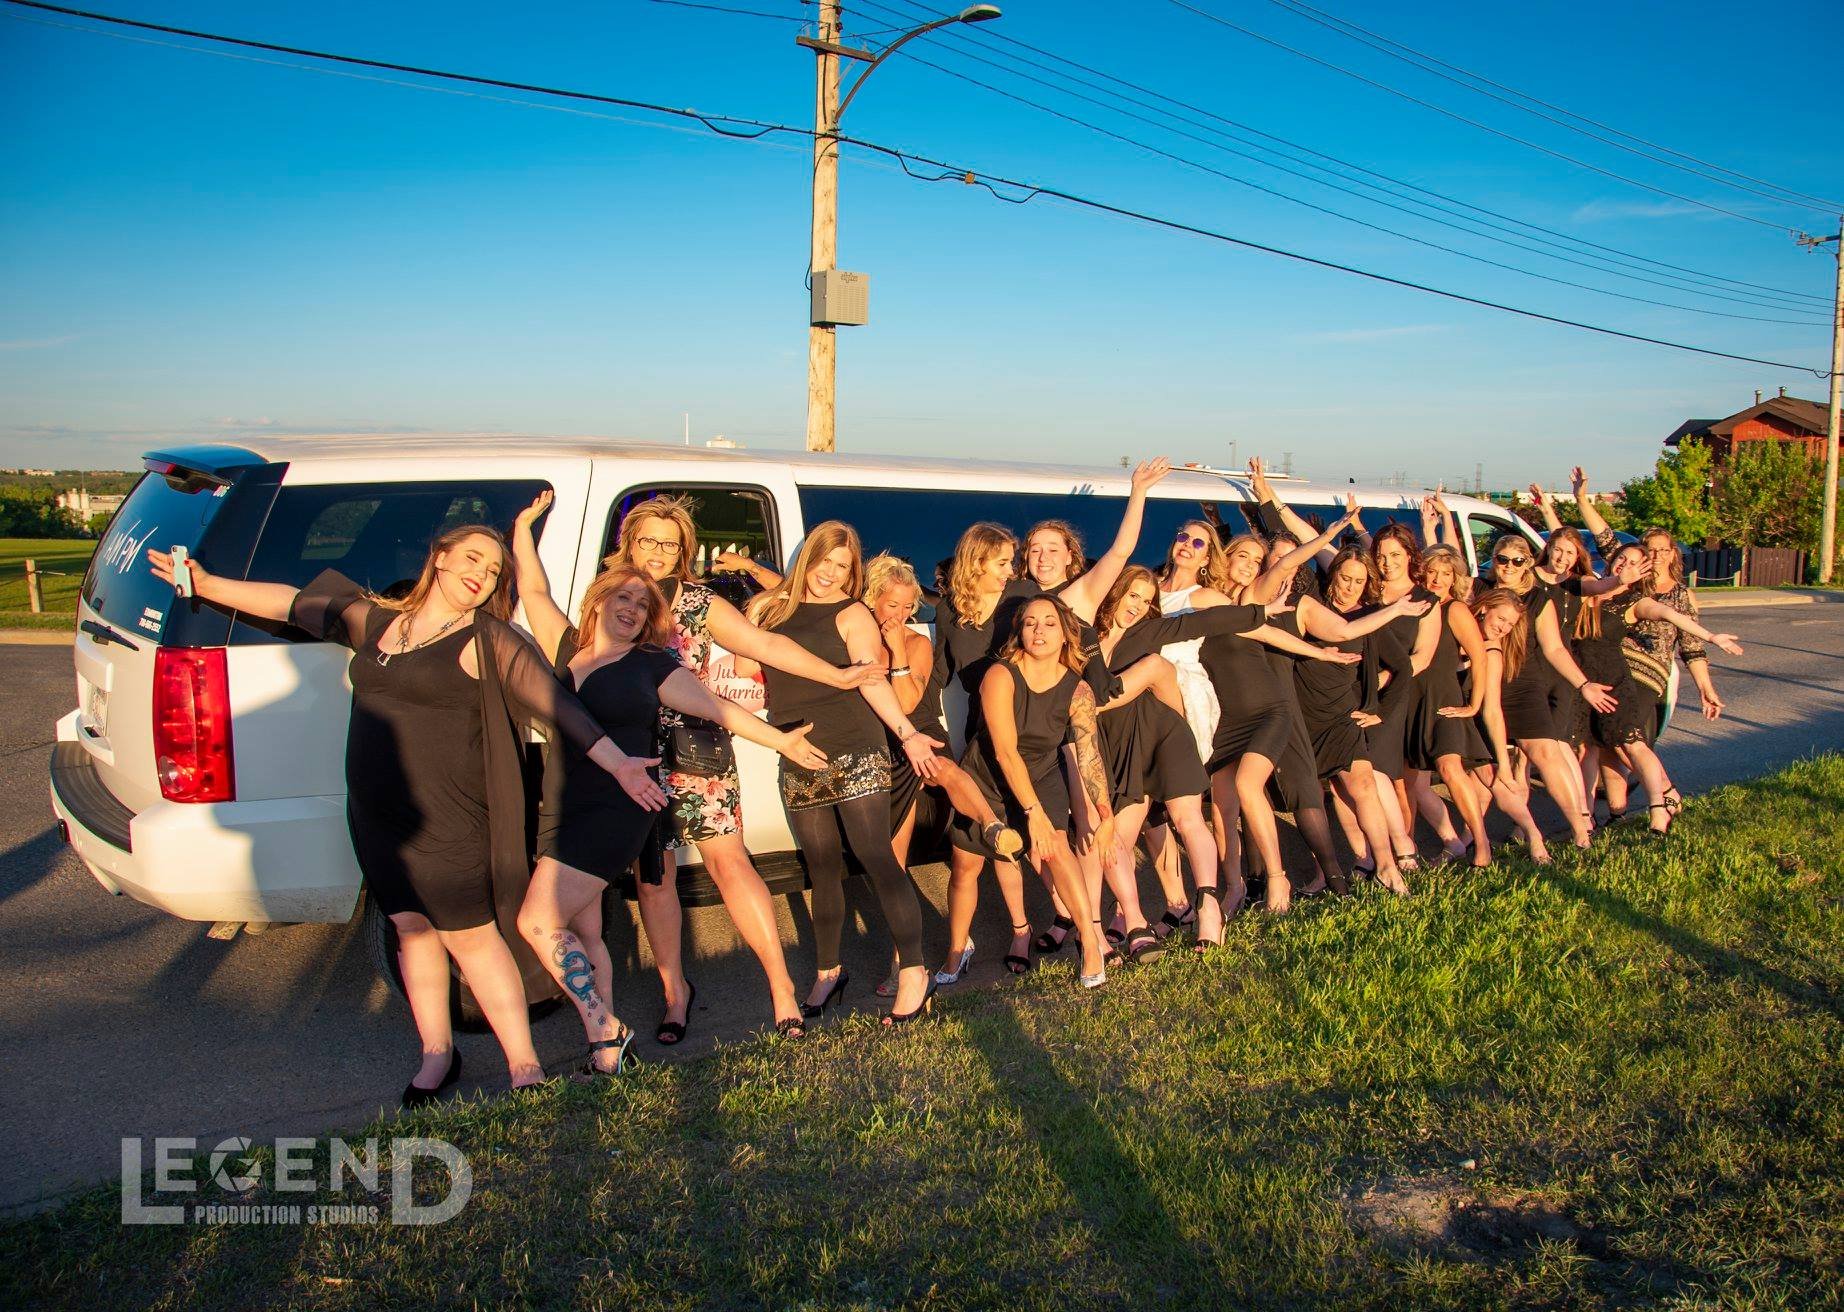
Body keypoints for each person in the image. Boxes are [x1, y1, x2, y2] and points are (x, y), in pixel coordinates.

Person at [149, 526, 646, 1104]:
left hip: (450, 822)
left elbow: (561, 708)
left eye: (492, 571)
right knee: (411, 929)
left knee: (472, 939)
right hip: (376, 814)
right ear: (438, 559)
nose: (481, 576)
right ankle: (438, 1053)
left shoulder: (490, 641)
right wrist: (207, 584)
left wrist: (620, 764)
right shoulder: (377, 624)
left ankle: (523, 1066)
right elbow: (289, 601)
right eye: (472, 559)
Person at [530, 493, 878, 1042]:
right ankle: (675, 993)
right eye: (648, 540)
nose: (659, 553)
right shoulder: (611, 599)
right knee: (655, 880)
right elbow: (543, 611)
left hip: (695, 744)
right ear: (629, 543)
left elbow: (764, 642)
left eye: (671, 544)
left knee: (729, 862)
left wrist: (835, 676)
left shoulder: (697, 601)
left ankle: (781, 989)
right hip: (628, 755)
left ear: (684, 550)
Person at [744, 521, 946, 1025]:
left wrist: (906, 732)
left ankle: (915, 973)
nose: (829, 576)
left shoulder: (853, 612)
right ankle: (829, 972)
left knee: (875, 855)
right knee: (822, 869)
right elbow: (752, 663)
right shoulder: (772, 608)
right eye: (823, 563)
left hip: (855, 745)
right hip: (797, 748)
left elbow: (870, 679)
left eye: (841, 567)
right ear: (805, 559)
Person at [861, 553, 1019, 993]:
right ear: (870, 599)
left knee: (937, 763)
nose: (902, 614)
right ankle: (903, 959)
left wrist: (895, 649)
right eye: (891, 604)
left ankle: (990, 825)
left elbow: (909, 704)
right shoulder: (852, 635)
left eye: (909, 606)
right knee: (894, 865)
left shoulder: (916, 643)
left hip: (920, 733)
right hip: (881, 746)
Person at [948, 595, 1115, 986]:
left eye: (1049, 623)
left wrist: (1104, 812)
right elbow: (1005, 752)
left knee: (1058, 845)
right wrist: (1033, 813)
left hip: (1041, 772)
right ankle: (957, 949)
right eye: (1030, 623)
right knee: (966, 865)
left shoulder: (1078, 690)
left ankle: (1089, 939)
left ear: (1065, 634)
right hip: (988, 774)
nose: (1039, 630)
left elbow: (1090, 756)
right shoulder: (1001, 675)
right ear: (1019, 631)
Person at [1569, 468, 1728, 818]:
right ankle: (1617, 810)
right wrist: (1581, 499)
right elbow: (1605, 536)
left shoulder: (1680, 595)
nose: (1654, 556)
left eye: (1661, 550)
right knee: (1603, 742)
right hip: (1613, 663)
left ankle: (1666, 794)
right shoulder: (1630, 577)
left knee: (1626, 739)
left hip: (1648, 671)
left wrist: (1705, 688)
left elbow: (1690, 646)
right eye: (1648, 549)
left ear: (1673, 554)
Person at [1569, 546, 1744, 835]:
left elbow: (1669, 614)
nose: (1625, 564)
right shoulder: (1588, 589)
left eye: (1635, 563)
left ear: (1643, 571)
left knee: (1632, 743)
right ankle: (1589, 819)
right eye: (1622, 558)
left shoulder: (1635, 602)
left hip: (1613, 680)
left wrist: (1711, 636)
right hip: (1582, 682)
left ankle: (1659, 808)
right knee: (1591, 749)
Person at [1417, 543, 1551, 864]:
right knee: (1428, 788)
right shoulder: (1459, 619)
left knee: (1496, 785)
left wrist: (1504, 763)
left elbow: (1492, 709)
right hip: (1440, 711)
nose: (1503, 628)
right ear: (1484, 607)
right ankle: (1460, 842)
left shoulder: (1492, 653)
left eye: (1509, 625)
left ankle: (1534, 837)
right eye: (1500, 619)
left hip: (1470, 723)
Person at [1481, 532, 1614, 846]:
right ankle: (1481, 836)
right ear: (1494, 560)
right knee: (1487, 766)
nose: (1509, 566)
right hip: (1482, 685)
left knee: (1545, 754)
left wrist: (1583, 684)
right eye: (1502, 559)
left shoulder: (1537, 599)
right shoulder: (1478, 590)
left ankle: (1581, 832)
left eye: (1517, 560)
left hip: (1523, 686)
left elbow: (1554, 649)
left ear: (1528, 563)